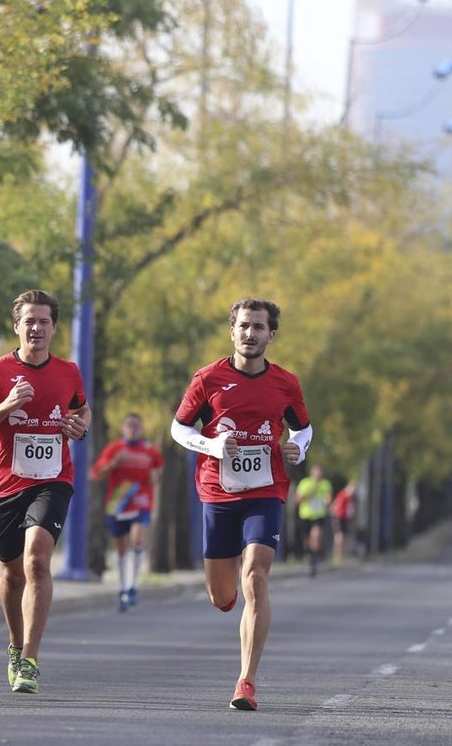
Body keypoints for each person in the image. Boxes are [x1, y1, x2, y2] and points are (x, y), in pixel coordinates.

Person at [170, 297, 312, 712]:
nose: (250, 334)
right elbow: (179, 428)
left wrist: (297, 448)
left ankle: (246, 681)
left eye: (259, 327)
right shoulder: (208, 378)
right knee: (222, 595)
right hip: (217, 491)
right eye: (244, 326)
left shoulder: (285, 382)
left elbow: (304, 428)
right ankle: (228, 596)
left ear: (272, 334)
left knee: (256, 576)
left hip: (265, 489)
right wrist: (210, 444)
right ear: (232, 331)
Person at [0, 289, 90, 695]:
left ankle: (31, 660)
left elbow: (83, 409)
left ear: (54, 328)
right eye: (29, 321)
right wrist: (6, 406)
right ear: (16, 326)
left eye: (44, 321)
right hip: (7, 485)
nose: (36, 328)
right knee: (12, 573)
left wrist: (79, 426)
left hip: (53, 480)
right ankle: (16, 647)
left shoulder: (69, 371)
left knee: (37, 561)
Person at [90, 412, 163, 612]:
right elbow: (96, 474)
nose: (132, 429)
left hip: (141, 500)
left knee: (138, 539)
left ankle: (132, 586)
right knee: (121, 546)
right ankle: (123, 588)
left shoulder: (151, 451)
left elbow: (157, 473)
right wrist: (115, 462)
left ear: (142, 429)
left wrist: (154, 477)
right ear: (123, 429)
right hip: (118, 502)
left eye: (136, 426)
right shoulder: (114, 448)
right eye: (129, 425)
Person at [294, 464, 333, 577]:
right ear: (312, 472)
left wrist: (328, 501)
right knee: (307, 539)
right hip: (305, 515)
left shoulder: (325, 484)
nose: (318, 474)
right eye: (316, 472)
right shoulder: (305, 483)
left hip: (319, 515)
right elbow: (297, 500)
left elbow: (328, 498)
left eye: (320, 472)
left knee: (316, 536)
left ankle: (314, 560)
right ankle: (308, 555)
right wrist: (309, 493)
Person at [330, 480, 357, 562]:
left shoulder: (351, 497)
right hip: (339, 517)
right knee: (339, 537)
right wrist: (335, 519)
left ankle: (341, 555)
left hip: (345, 518)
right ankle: (337, 555)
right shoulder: (343, 496)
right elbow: (336, 507)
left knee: (344, 537)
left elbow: (350, 509)